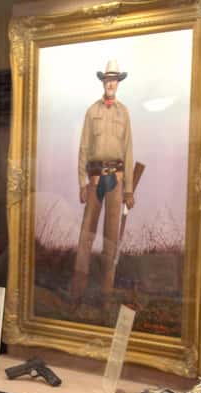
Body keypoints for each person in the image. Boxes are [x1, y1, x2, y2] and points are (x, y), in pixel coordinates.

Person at [70, 59, 135, 302]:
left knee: (111, 237)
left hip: (116, 182)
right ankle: (78, 291)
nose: (111, 84)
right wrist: (81, 183)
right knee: (87, 234)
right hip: (95, 181)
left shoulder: (124, 112)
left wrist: (128, 190)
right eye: (108, 80)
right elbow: (83, 149)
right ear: (103, 82)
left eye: (114, 80)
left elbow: (128, 151)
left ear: (118, 84)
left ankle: (106, 291)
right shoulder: (92, 112)